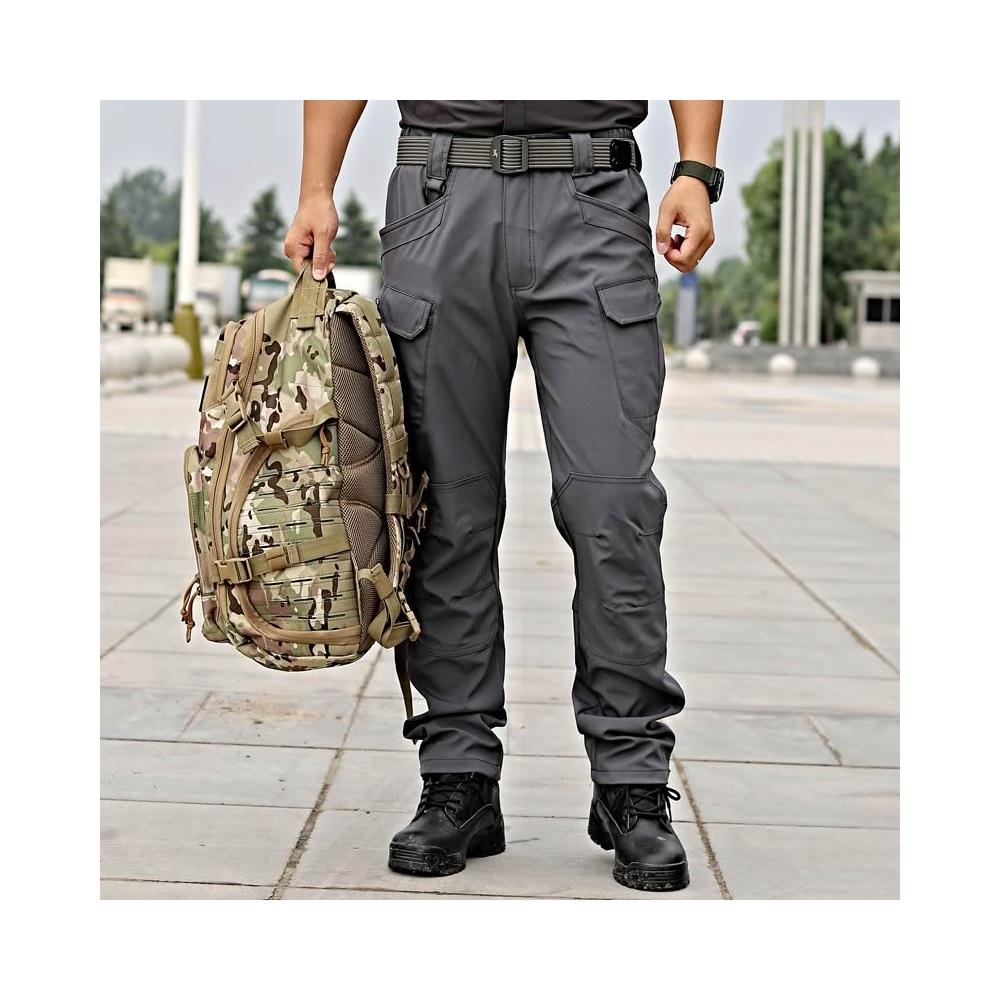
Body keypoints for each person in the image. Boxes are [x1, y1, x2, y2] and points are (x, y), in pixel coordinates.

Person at [285, 100, 723, 892]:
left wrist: (695, 168)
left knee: (614, 502)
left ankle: (630, 778)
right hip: (441, 193)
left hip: (593, 195)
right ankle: (459, 775)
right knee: (446, 505)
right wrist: (317, 186)